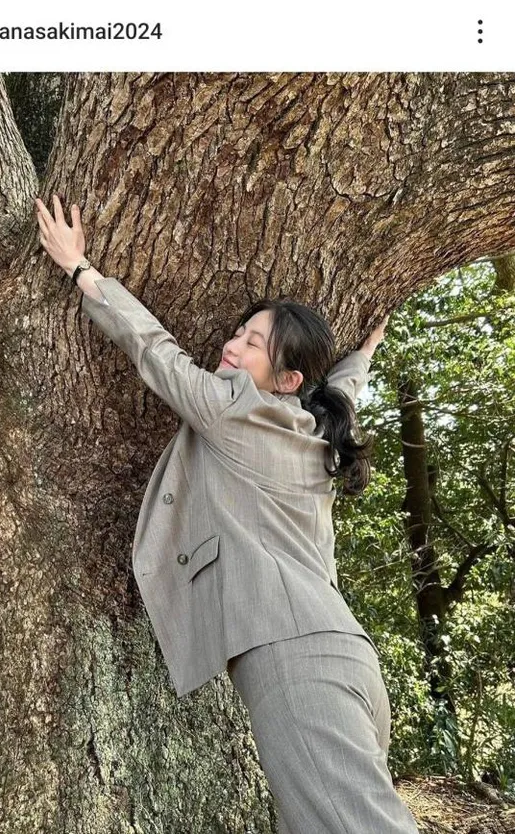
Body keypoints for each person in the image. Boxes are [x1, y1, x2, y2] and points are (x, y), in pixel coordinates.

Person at [35, 194, 420, 833]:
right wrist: (365, 351)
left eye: (253, 343)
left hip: (296, 664)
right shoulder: (319, 432)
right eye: (240, 332)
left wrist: (81, 269)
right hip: (341, 657)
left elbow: (155, 352)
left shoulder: (235, 409)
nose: (233, 345)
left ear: (287, 379)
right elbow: (343, 388)